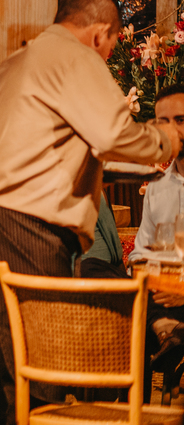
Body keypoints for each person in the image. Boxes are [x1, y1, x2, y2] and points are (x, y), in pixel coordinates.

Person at [0, 0, 179, 424]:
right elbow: (113, 134)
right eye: (112, 46)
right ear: (100, 34)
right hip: (25, 224)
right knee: (41, 379)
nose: (108, 55)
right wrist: (164, 140)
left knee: (3, 385)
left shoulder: (5, 72)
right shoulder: (75, 56)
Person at [128, 84, 184, 371]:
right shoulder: (158, 186)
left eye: (180, 120)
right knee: (92, 270)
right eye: (164, 121)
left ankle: (166, 330)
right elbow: (143, 252)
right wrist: (152, 277)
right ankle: (168, 331)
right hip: (164, 293)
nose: (172, 130)